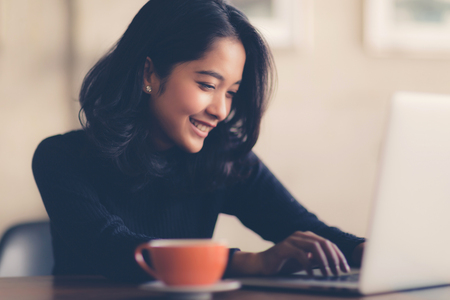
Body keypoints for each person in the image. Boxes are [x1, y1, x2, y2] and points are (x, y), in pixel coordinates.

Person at [32, 0, 365, 282]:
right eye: (207, 85)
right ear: (149, 73)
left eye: (231, 93)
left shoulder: (223, 158)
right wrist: (248, 262)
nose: (220, 110)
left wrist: (364, 250)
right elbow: (112, 247)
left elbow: (302, 228)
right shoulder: (61, 158)